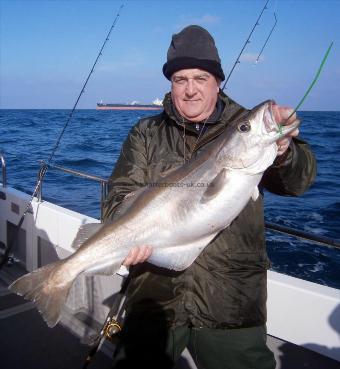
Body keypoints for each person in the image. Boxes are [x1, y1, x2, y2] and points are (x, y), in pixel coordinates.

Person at [103, 25, 316, 369]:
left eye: (200, 78)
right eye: (180, 79)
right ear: (170, 84)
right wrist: (126, 235)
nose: (189, 90)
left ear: (218, 81)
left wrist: (284, 150)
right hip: (155, 298)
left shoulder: (247, 128)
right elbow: (119, 196)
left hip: (230, 300)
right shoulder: (145, 133)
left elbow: (298, 182)